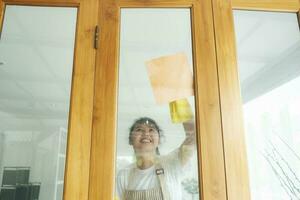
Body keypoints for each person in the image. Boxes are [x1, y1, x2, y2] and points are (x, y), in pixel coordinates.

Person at [116, 117, 196, 200]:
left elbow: (195, 135)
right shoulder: (124, 175)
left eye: (151, 130)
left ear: (158, 140)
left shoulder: (172, 163)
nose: (146, 133)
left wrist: (179, 104)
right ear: (130, 140)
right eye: (139, 129)